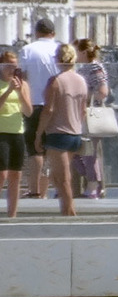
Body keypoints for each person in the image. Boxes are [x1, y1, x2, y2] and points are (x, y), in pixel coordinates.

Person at [34, 42, 87, 217]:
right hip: (75, 131)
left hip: (58, 132)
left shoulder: (55, 81)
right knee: (60, 177)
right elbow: (83, 111)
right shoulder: (81, 81)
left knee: (62, 179)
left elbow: (48, 110)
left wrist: (39, 133)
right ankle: (65, 210)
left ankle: (70, 213)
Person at [20, 17, 59, 198]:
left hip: (35, 103)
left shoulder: (27, 50)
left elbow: (23, 77)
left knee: (35, 148)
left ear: (36, 32)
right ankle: (55, 189)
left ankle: (35, 190)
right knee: (55, 148)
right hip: (58, 105)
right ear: (53, 33)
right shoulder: (61, 49)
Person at [73, 39, 109, 199]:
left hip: (91, 113)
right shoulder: (86, 67)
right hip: (83, 113)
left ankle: (93, 185)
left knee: (90, 152)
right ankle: (92, 182)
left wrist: (82, 95)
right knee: (80, 152)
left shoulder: (94, 67)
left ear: (83, 52)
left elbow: (102, 91)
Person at [0, 50, 34, 217]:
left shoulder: (23, 84)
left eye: (15, 67)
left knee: (16, 174)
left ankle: (12, 214)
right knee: (1, 174)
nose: (11, 70)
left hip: (17, 131)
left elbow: (28, 111)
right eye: (8, 66)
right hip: (1, 132)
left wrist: (20, 92)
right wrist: (7, 91)